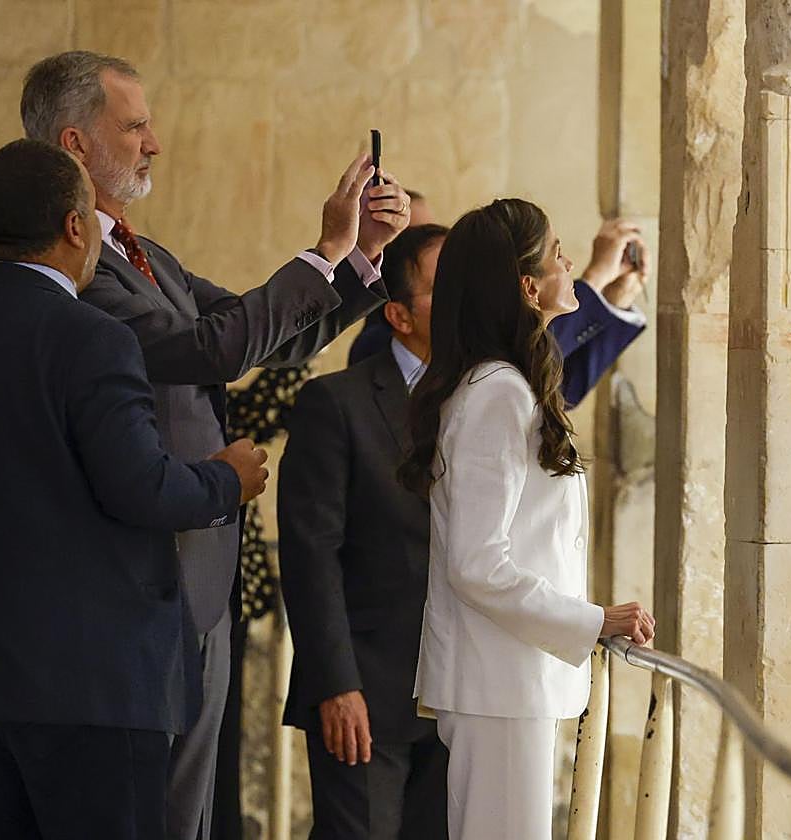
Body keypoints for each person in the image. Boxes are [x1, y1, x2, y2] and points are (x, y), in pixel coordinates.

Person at [20, 50, 410, 840]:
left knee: (191, 807)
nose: (155, 142)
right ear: (74, 145)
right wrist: (326, 249)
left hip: (198, 577)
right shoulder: (81, 273)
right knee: (153, 810)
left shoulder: (144, 252)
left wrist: (360, 256)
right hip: (144, 579)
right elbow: (213, 352)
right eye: (135, 127)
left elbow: (265, 336)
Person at [0, 139, 269, 839]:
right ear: (74, 226)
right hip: (94, 682)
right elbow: (143, 490)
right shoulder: (92, 338)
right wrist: (227, 479)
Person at [399, 198, 655, 839]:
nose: (570, 261)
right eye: (557, 252)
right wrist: (593, 619)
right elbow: (477, 564)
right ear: (526, 285)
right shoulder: (498, 395)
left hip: (508, 681)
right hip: (499, 685)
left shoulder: (503, 384)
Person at [277, 224, 449, 839]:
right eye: (446, 286)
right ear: (399, 314)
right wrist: (336, 685)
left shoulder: (489, 401)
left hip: (463, 697)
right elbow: (310, 554)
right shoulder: (336, 403)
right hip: (364, 697)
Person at [348, 203, 649, 408]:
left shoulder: (488, 363)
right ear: (399, 316)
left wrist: (613, 299)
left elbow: (558, 387)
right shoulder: (373, 351)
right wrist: (593, 281)